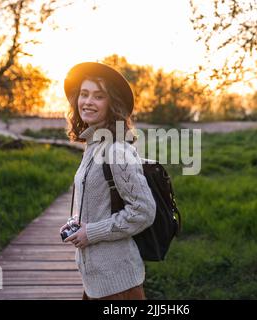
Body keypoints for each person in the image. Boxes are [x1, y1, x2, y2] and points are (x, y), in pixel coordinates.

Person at [60, 62, 156, 300]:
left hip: (117, 283)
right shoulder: (94, 143)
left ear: (111, 104)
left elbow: (143, 211)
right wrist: (78, 221)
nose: (88, 101)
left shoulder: (116, 149)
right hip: (95, 279)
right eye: (84, 94)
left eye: (98, 96)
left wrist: (90, 232)